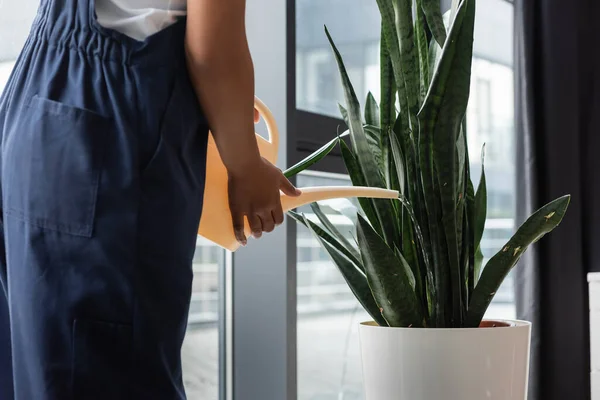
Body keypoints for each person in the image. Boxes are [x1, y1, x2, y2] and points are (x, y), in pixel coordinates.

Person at [0, 0, 299, 398]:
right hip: (106, 128)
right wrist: (245, 167)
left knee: (40, 362)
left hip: (37, 105)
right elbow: (212, 50)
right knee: (112, 368)